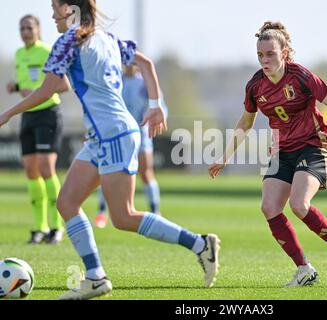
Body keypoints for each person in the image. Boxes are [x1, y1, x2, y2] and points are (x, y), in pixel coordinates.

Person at [0, 0, 220, 300]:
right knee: (66, 202)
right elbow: (146, 64)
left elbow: (46, 90)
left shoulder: (69, 42)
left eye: (55, 7)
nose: (52, 14)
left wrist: (8, 114)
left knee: (123, 216)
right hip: (104, 136)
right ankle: (95, 276)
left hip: (113, 135)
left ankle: (200, 244)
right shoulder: (107, 38)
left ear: (70, 8)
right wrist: (156, 106)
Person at [209, 21, 327, 287]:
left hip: (313, 146)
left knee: (299, 205)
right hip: (282, 151)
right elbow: (245, 123)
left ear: (284, 53)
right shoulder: (255, 86)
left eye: (270, 54)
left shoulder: (301, 76)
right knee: (269, 207)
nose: (264, 60)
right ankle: (304, 269)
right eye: (260, 55)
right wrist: (225, 156)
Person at [6, 15, 65, 244]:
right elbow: (29, 85)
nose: (25, 32)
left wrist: (35, 91)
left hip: (48, 114)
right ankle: (39, 227)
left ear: (39, 30)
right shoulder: (19, 54)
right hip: (28, 116)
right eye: (22, 28)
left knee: (45, 167)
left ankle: (57, 226)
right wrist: (18, 87)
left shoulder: (48, 51)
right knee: (31, 170)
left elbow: (62, 84)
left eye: (29, 27)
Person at [95, 65, 166, 228]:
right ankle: (101, 212)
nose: (129, 65)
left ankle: (156, 212)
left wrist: (154, 120)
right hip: (116, 133)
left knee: (146, 172)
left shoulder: (146, 83)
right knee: (106, 171)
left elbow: (161, 107)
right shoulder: (114, 80)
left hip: (140, 133)